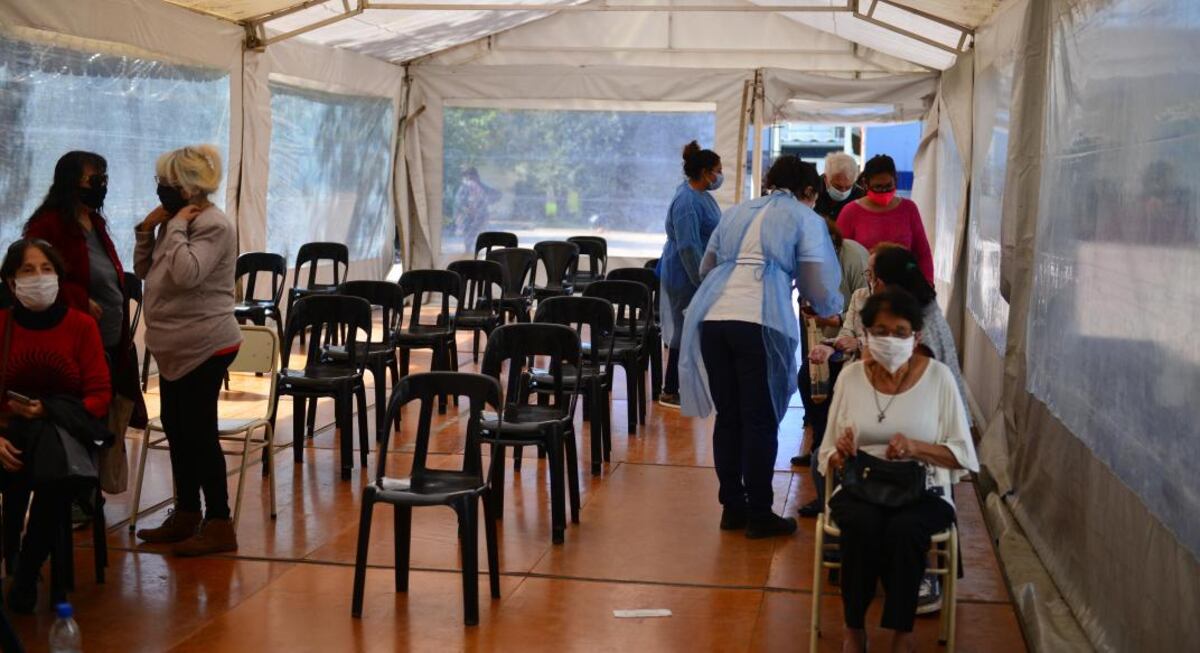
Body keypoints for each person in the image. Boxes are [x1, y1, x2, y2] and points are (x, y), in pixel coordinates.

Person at [678, 156, 843, 538]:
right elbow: (818, 285)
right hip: (760, 321)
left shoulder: (737, 211)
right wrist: (826, 308)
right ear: (808, 191)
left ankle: (732, 508)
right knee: (760, 417)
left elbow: (708, 266)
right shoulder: (805, 217)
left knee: (730, 415)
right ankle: (759, 513)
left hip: (713, 318)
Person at [818, 288, 978, 653]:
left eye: (900, 332)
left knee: (904, 529)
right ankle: (854, 628)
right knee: (862, 524)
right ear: (867, 335)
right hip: (862, 484)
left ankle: (901, 633)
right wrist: (841, 454)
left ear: (916, 336)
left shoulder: (938, 379)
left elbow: (964, 456)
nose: (890, 340)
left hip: (925, 488)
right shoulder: (851, 378)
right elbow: (826, 450)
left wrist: (916, 447)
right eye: (880, 331)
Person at [23, 151, 148, 520]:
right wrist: (79, 299)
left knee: (104, 416)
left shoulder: (94, 221)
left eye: (104, 178)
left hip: (109, 338)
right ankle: (75, 496)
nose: (102, 186)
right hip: (74, 340)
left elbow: (108, 273)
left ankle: (90, 492)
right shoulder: (49, 225)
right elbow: (38, 279)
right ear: (70, 181)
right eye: (94, 179)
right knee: (78, 417)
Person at [133, 145, 242, 557]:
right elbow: (146, 271)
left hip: (206, 344)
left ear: (189, 187)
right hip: (175, 347)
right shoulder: (175, 223)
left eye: (168, 183)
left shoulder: (211, 224)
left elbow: (186, 275)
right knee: (178, 428)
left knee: (199, 433)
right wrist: (148, 229)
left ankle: (219, 521)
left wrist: (175, 227)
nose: (161, 189)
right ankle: (185, 512)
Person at [0, 239, 111, 612]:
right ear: (11, 282)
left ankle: (27, 571)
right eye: (28, 270)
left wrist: (48, 410)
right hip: (6, 436)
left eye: (46, 269)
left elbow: (99, 394)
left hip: (60, 438)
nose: (39, 277)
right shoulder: (2, 325)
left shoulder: (80, 326)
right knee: (28, 458)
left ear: (60, 278)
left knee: (54, 475)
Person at [791, 218, 869, 517]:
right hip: (837, 339)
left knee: (832, 394)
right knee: (807, 381)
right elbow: (849, 321)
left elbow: (858, 318)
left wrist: (832, 327)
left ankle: (824, 455)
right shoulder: (813, 258)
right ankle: (818, 449)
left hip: (857, 350)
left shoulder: (856, 262)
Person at [871, 247, 971, 427]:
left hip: (933, 432)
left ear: (883, 285)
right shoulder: (928, 311)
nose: (872, 285)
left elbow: (908, 404)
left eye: (872, 278)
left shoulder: (918, 336)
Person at [657, 141, 723, 409]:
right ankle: (671, 389)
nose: (720, 176)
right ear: (706, 172)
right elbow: (688, 246)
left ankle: (689, 385)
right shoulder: (687, 201)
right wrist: (702, 280)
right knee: (683, 331)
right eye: (718, 170)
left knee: (690, 330)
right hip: (685, 274)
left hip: (694, 271)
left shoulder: (699, 195)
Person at [836, 154, 934, 285]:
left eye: (888, 186)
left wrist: (927, 284)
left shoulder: (909, 209)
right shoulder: (850, 212)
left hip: (904, 290)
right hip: (863, 288)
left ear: (896, 180)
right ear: (866, 184)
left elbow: (923, 253)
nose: (883, 191)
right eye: (878, 187)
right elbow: (838, 257)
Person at [454, 167, 500, 254]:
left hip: (479, 215)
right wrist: (465, 209)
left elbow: (497, 194)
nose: (470, 178)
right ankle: (468, 251)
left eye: (471, 175)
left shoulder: (481, 186)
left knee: (477, 234)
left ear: (476, 176)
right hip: (468, 216)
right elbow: (459, 201)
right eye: (468, 176)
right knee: (468, 234)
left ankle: (475, 252)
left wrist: (486, 201)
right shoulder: (464, 187)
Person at [815, 151, 864, 221]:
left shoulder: (860, 197)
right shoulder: (812, 191)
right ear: (826, 179)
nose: (843, 192)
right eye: (838, 186)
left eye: (848, 187)